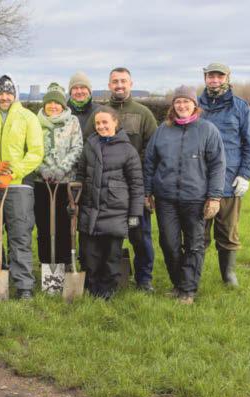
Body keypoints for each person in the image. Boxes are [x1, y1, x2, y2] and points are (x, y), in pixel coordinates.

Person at [145, 86, 225, 304]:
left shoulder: (208, 130)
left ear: (194, 105)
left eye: (186, 102)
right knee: (169, 243)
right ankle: (178, 283)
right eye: (178, 102)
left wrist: (215, 197)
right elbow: (150, 162)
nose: (182, 106)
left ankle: (188, 290)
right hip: (166, 198)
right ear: (173, 105)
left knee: (194, 244)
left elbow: (218, 165)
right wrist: (147, 191)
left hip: (196, 198)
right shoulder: (163, 130)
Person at [87, 67, 158, 291]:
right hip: (108, 188)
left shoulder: (143, 113)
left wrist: (147, 188)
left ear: (131, 83)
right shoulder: (99, 112)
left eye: (123, 81)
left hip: (137, 185)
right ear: (109, 85)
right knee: (107, 237)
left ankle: (144, 278)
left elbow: (153, 150)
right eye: (115, 81)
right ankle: (103, 278)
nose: (119, 85)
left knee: (140, 235)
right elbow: (90, 144)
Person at [0, 75, 43, 300]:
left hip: (19, 187)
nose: (4, 97)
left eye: (8, 92)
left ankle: (24, 284)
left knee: (20, 234)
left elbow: (35, 152)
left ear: (14, 94)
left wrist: (12, 174)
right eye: (0, 93)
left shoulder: (28, 117)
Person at [198, 62, 250, 287]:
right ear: (205, 78)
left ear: (227, 78)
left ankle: (229, 275)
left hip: (229, 182)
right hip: (199, 182)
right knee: (197, 234)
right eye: (210, 76)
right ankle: (193, 275)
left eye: (219, 76)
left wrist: (245, 174)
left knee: (227, 233)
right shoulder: (195, 106)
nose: (214, 80)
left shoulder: (240, 107)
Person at [76, 107, 143, 300]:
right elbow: (81, 174)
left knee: (111, 257)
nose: (101, 126)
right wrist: (75, 201)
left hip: (115, 212)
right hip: (90, 210)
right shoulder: (90, 145)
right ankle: (91, 288)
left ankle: (107, 291)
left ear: (115, 122)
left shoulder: (128, 150)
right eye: (98, 123)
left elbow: (137, 184)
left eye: (105, 122)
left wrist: (134, 215)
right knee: (89, 255)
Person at [31, 83, 82, 274]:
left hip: (65, 183)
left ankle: (65, 262)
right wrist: (41, 169)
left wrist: (62, 169)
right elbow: (30, 149)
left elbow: (77, 148)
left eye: (57, 102)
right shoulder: (35, 122)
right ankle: (46, 263)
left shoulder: (73, 122)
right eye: (49, 102)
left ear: (63, 104)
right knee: (43, 225)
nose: (53, 106)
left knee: (64, 225)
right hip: (41, 182)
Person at [66, 71, 101, 140]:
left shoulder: (100, 111)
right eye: (75, 88)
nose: (79, 91)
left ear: (89, 90)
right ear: (70, 92)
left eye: (83, 87)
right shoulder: (63, 112)